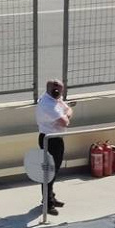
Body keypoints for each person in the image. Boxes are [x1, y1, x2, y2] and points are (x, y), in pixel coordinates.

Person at [35, 79, 73, 216]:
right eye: (59, 91)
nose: (60, 94)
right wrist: (67, 114)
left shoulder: (53, 98)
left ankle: (50, 196)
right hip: (50, 140)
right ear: (55, 91)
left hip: (55, 139)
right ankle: (47, 203)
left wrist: (67, 112)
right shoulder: (48, 104)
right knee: (48, 173)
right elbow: (65, 122)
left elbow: (68, 109)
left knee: (53, 171)